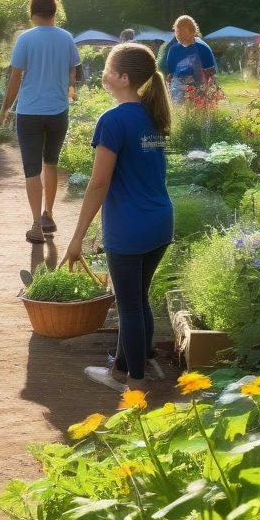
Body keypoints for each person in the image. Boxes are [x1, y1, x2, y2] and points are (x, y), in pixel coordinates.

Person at [61, 43, 173, 392]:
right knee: (138, 298)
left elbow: (98, 183)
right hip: (159, 222)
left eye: (108, 69)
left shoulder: (112, 120)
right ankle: (123, 370)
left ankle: (135, 384)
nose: (104, 75)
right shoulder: (152, 114)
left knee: (129, 306)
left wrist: (77, 236)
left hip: (130, 227)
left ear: (123, 78)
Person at [0, 0, 80, 244]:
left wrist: (4, 110)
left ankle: (35, 226)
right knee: (50, 163)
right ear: (54, 11)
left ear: (33, 12)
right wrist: (67, 92)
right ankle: (49, 215)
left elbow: (15, 79)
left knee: (32, 169)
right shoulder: (66, 38)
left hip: (30, 112)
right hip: (58, 111)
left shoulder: (25, 39)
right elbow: (72, 75)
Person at [163, 15, 217, 102]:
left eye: (182, 31)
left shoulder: (203, 49)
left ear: (192, 31)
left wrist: (207, 97)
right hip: (178, 95)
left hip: (199, 93)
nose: (179, 34)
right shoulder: (173, 50)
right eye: (177, 31)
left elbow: (210, 75)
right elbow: (170, 76)